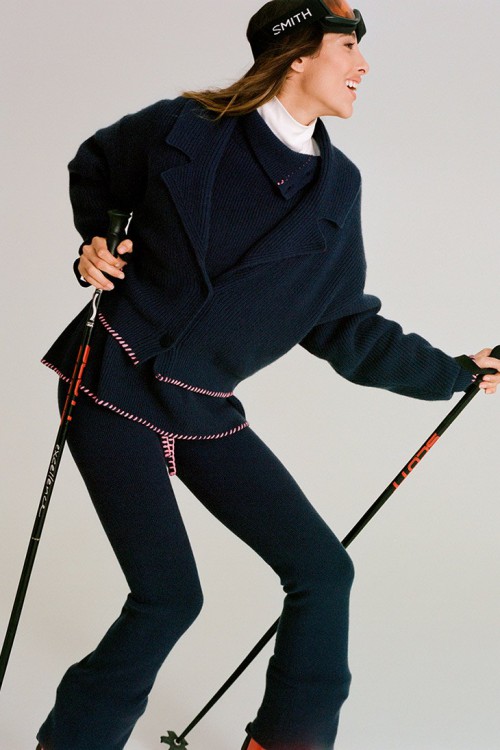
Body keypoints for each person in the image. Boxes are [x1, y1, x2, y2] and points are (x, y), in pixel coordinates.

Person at [36, 1, 500, 749]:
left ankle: (286, 741)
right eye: (346, 46)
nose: (363, 66)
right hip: (112, 378)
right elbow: (97, 166)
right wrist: (99, 240)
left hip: (202, 404)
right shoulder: (186, 127)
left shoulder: (335, 189)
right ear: (297, 55)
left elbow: (341, 322)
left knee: (322, 571)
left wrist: (450, 371)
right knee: (168, 598)